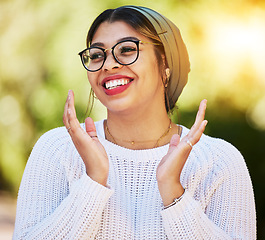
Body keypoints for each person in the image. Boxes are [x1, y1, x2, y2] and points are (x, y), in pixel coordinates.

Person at [13, 5, 256, 239]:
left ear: (166, 64)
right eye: (97, 55)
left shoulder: (219, 162)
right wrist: (93, 182)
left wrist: (174, 194)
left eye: (127, 50)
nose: (108, 64)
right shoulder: (57, 150)